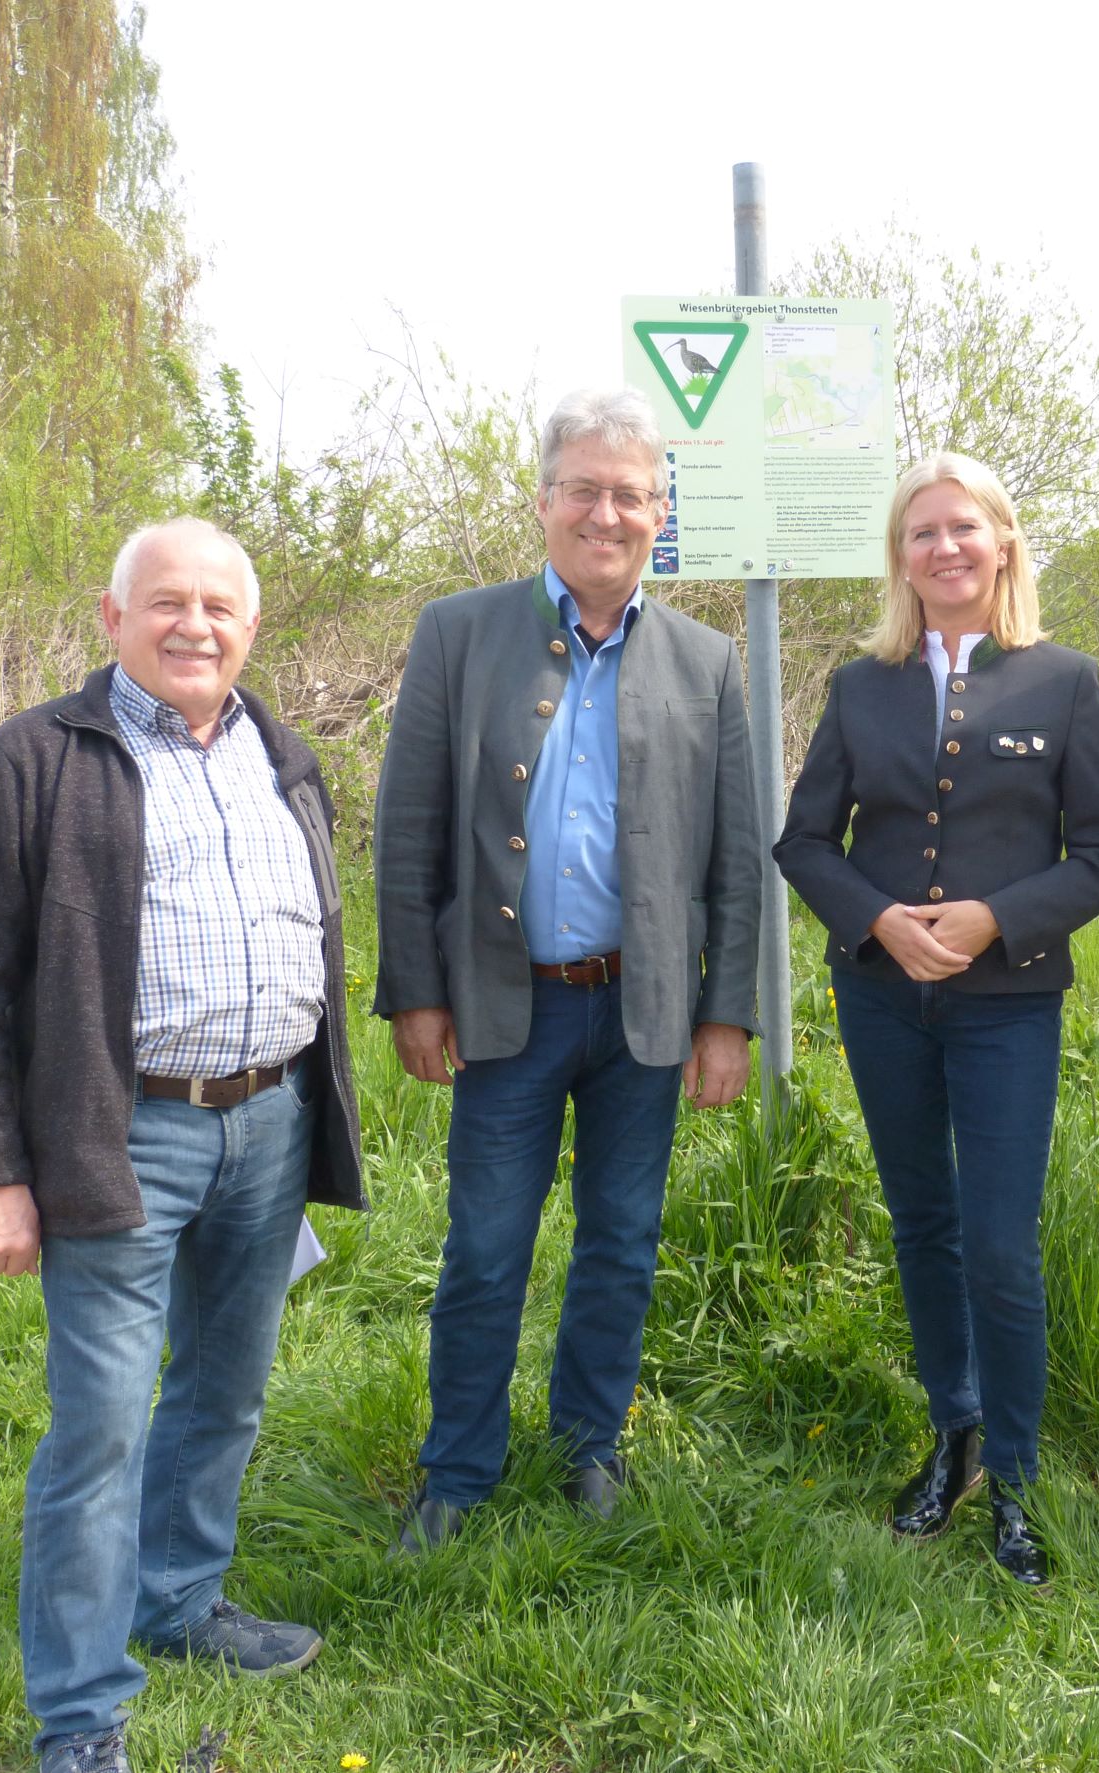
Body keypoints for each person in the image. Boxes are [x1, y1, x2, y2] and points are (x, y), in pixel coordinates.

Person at [0, 518, 365, 1773]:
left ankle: (176, 1598)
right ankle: (81, 1715)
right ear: (113, 619)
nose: (194, 625)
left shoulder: (283, 754)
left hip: (270, 1123)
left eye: (220, 606)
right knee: (102, 1427)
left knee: (224, 1391)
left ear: (252, 627)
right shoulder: (33, 762)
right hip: (119, 1135)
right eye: (166, 602)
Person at [373, 387, 760, 1548]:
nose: (607, 514)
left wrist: (726, 1016)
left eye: (631, 495)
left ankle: (591, 1448)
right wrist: (416, 993)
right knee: (487, 1250)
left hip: (643, 1011)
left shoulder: (707, 660)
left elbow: (736, 857)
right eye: (583, 490)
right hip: (508, 1006)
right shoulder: (459, 632)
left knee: (621, 1245)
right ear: (543, 502)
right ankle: (457, 1471)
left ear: (660, 515)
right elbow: (408, 828)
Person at [774, 453, 1099, 1585]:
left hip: (1006, 1006)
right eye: (922, 532)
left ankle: (1019, 1480)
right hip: (882, 999)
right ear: (900, 556)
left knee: (999, 1242)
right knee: (922, 1222)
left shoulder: (1063, 682)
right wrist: (878, 920)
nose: (945, 548)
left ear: (1003, 542)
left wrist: (996, 918)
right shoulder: (861, 686)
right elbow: (804, 841)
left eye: (964, 528)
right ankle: (956, 1435)